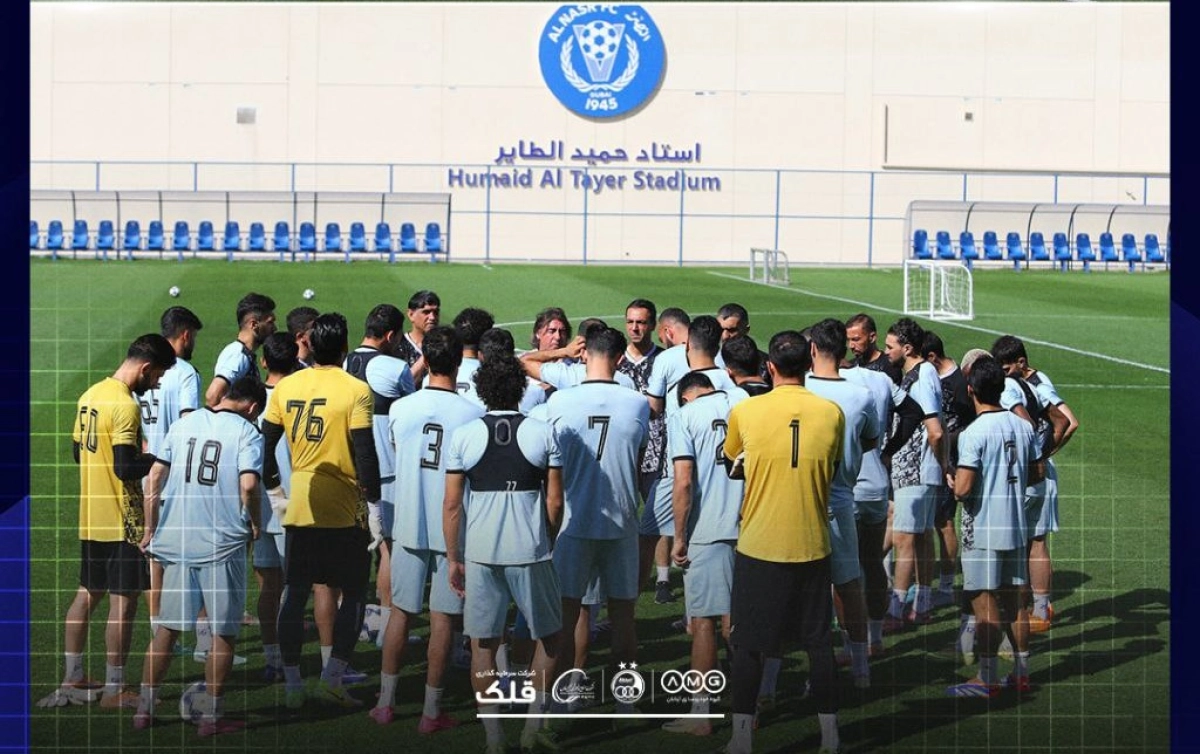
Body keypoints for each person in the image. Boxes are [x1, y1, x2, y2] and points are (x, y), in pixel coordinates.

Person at [37, 334, 176, 711]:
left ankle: (73, 677)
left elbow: (77, 453)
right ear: (145, 368)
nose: (156, 384)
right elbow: (125, 467)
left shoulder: (90, 396)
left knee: (86, 594)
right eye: (158, 375)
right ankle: (115, 688)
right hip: (122, 521)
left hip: (91, 517)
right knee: (123, 603)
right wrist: (160, 461)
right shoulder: (125, 405)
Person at [721, 331, 844, 754]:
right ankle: (831, 737)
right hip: (812, 542)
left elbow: (731, 460)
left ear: (769, 367)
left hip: (759, 544)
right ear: (810, 363)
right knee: (819, 644)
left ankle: (741, 739)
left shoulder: (746, 410)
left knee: (747, 645)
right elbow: (833, 466)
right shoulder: (831, 413)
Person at [442, 354, 564, 754]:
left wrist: (454, 557)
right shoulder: (543, 432)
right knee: (550, 637)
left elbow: (452, 505)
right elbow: (555, 501)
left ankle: (494, 738)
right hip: (530, 549)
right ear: (521, 388)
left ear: (482, 390)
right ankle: (532, 727)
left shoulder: (464, 435)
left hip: (481, 551)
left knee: (484, 643)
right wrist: (547, 537)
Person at [132, 377, 265, 735]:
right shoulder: (248, 433)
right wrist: (256, 523)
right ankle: (211, 717)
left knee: (167, 629)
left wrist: (150, 529)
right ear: (253, 408)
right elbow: (249, 484)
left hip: (178, 541)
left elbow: (154, 477)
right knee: (223, 632)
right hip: (222, 545)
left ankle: (144, 709)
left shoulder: (184, 424)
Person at [261, 313, 381, 710]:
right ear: (345, 346)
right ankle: (332, 678)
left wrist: (276, 492)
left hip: (302, 504)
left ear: (309, 346)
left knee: (295, 594)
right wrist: (375, 507)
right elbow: (365, 453)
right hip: (344, 508)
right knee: (354, 593)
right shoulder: (356, 389)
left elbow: (266, 445)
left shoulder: (287, 386)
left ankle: (293, 684)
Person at [371, 326, 484, 729]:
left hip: (407, 524)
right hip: (452, 531)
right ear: (456, 363)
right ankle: (431, 710)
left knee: (401, 613)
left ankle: (385, 702)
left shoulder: (401, 408)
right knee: (443, 620)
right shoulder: (473, 413)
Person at [538, 327, 650, 716]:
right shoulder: (637, 403)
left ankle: (559, 700)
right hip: (621, 522)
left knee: (566, 615)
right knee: (623, 617)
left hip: (573, 523)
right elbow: (637, 458)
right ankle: (625, 702)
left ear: (585, 355)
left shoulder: (560, 401)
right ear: (619, 359)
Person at [945, 358, 1043, 697]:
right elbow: (1036, 473)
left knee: (983, 600)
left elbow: (963, 489)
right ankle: (1021, 674)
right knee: (1015, 602)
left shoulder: (974, 433)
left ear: (971, 390)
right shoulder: (1023, 427)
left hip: (983, 528)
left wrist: (953, 482)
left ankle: (986, 678)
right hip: (1015, 525)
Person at [662, 371, 744, 736]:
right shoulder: (744, 402)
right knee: (742, 621)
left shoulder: (684, 415)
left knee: (705, 623)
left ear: (685, 396)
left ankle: (701, 712)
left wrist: (679, 537)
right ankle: (751, 704)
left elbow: (683, 481)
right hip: (751, 527)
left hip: (708, 530)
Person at [803, 319, 880, 690]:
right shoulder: (861, 395)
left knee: (802, 591)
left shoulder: (798, 389)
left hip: (801, 499)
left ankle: (804, 676)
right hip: (842, 497)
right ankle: (861, 670)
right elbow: (871, 440)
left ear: (812, 349)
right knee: (849, 584)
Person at [643, 315, 737, 605]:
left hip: (680, 471)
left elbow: (654, 409)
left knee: (648, 536)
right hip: (726, 479)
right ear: (718, 344)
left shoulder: (681, 385)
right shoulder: (732, 383)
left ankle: (626, 610)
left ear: (687, 347)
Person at [991, 335, 1079, 633]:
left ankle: (1024, 609)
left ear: (1021, 363)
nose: (1001, 375)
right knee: (1034, 541)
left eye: (1005, 368)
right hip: (1037, 471)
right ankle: (1038, 609)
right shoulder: (1029, 384)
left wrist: (1041, 455)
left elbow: (1069, 421)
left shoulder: (1036, 384)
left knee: (1022, 542)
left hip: (1030, 473)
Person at [344, 304, 417, 652]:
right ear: (390, 336)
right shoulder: (394, 366)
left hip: (347, 470)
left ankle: (352, 622)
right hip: (386, 471)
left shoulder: (343, 363)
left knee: (353, 549)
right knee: (389, 549)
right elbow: (412, 410)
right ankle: (388, 624)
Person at [137, 306, 203, 645]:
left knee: (154, 557)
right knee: (197, 556)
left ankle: (158, 634)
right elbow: (188, 425)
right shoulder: (185, 373)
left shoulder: (144, 368)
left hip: (147, 476)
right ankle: (205, 642)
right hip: (176, 477)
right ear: (185, 335)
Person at [882, 318, 947, 630]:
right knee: (919, 537)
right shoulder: (916, 374)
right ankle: (921, 605)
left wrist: (943, 465)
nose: (886, 351)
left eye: (890, 346)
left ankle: (895, 610)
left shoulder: (922, 377)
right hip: (915, 468)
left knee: (905, 538)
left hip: (916, 469)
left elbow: (935, 430)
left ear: (907, 348)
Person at [253, 333, 300, 681]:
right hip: (290, 503)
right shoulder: (298, 399)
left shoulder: (251, 400)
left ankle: (273, 658)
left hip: (259, 506)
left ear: (264, 361)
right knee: (293, 588)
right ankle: (290, 662)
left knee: (268, 586)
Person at [923, 331, 976, 609]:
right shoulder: (933, 378)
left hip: (952, 463)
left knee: (943, 522)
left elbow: (972, 424)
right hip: (934, 459)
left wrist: (948, 443)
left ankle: (945, 587)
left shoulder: (959, 384)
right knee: (931, 522)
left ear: (932, 357)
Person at [616, 299, 663, 499]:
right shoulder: (615, 359)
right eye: (630, 322)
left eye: (641, 322)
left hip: (656, 453)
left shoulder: (664, 359)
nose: (634, 328)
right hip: (622, 448)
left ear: (652, 325)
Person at [205, 292, 276, 407]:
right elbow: (213, 396)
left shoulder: (244, 354)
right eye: (270, 322)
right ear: (254, 324)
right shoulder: (238, 355)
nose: (275, 328)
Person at [395, 289, 441, 385]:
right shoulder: (397, 347)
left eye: (436, 312)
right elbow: (401, 385)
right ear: (411, 315)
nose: (432, 317)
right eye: (426, 312)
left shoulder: (445, 345)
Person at [846, 313, 901, 386]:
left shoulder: (889, 367)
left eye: (856, 339)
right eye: (848, 340)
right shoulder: (850, 367)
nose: (850, 346)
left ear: (872, 337)